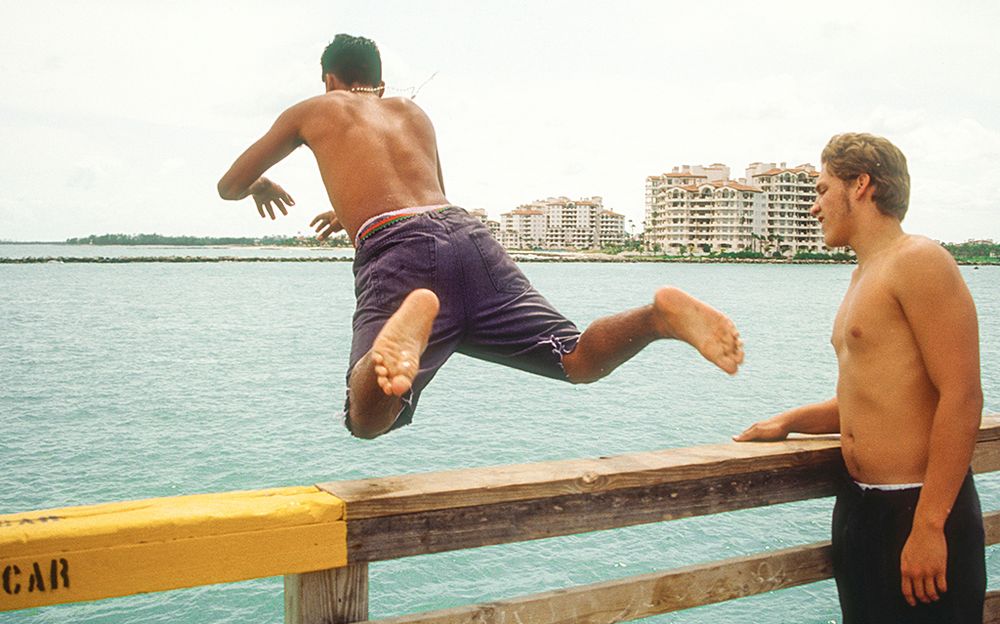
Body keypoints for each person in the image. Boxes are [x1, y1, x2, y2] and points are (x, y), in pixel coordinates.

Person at [219, 34, 744, 439]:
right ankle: (657, 318)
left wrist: (262, 185)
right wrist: (351, 209)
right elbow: (428, 197)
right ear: (379, 81)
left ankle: (402, 334)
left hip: (399, 254)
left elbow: (230, 185)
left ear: (328, 78)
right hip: (467, 236)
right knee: (576, 360)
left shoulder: (315, 108)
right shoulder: (412, 111)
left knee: (366, 419)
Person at [735, 133, 985, 624]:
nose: (814, 205)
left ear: (862, 185)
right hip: (865, 514)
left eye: (821, 189)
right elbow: (868, 396)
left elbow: (962, 396)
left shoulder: (920, 261)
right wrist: (790, 420)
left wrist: (928, 526)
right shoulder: (864, 274)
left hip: (919, 511)